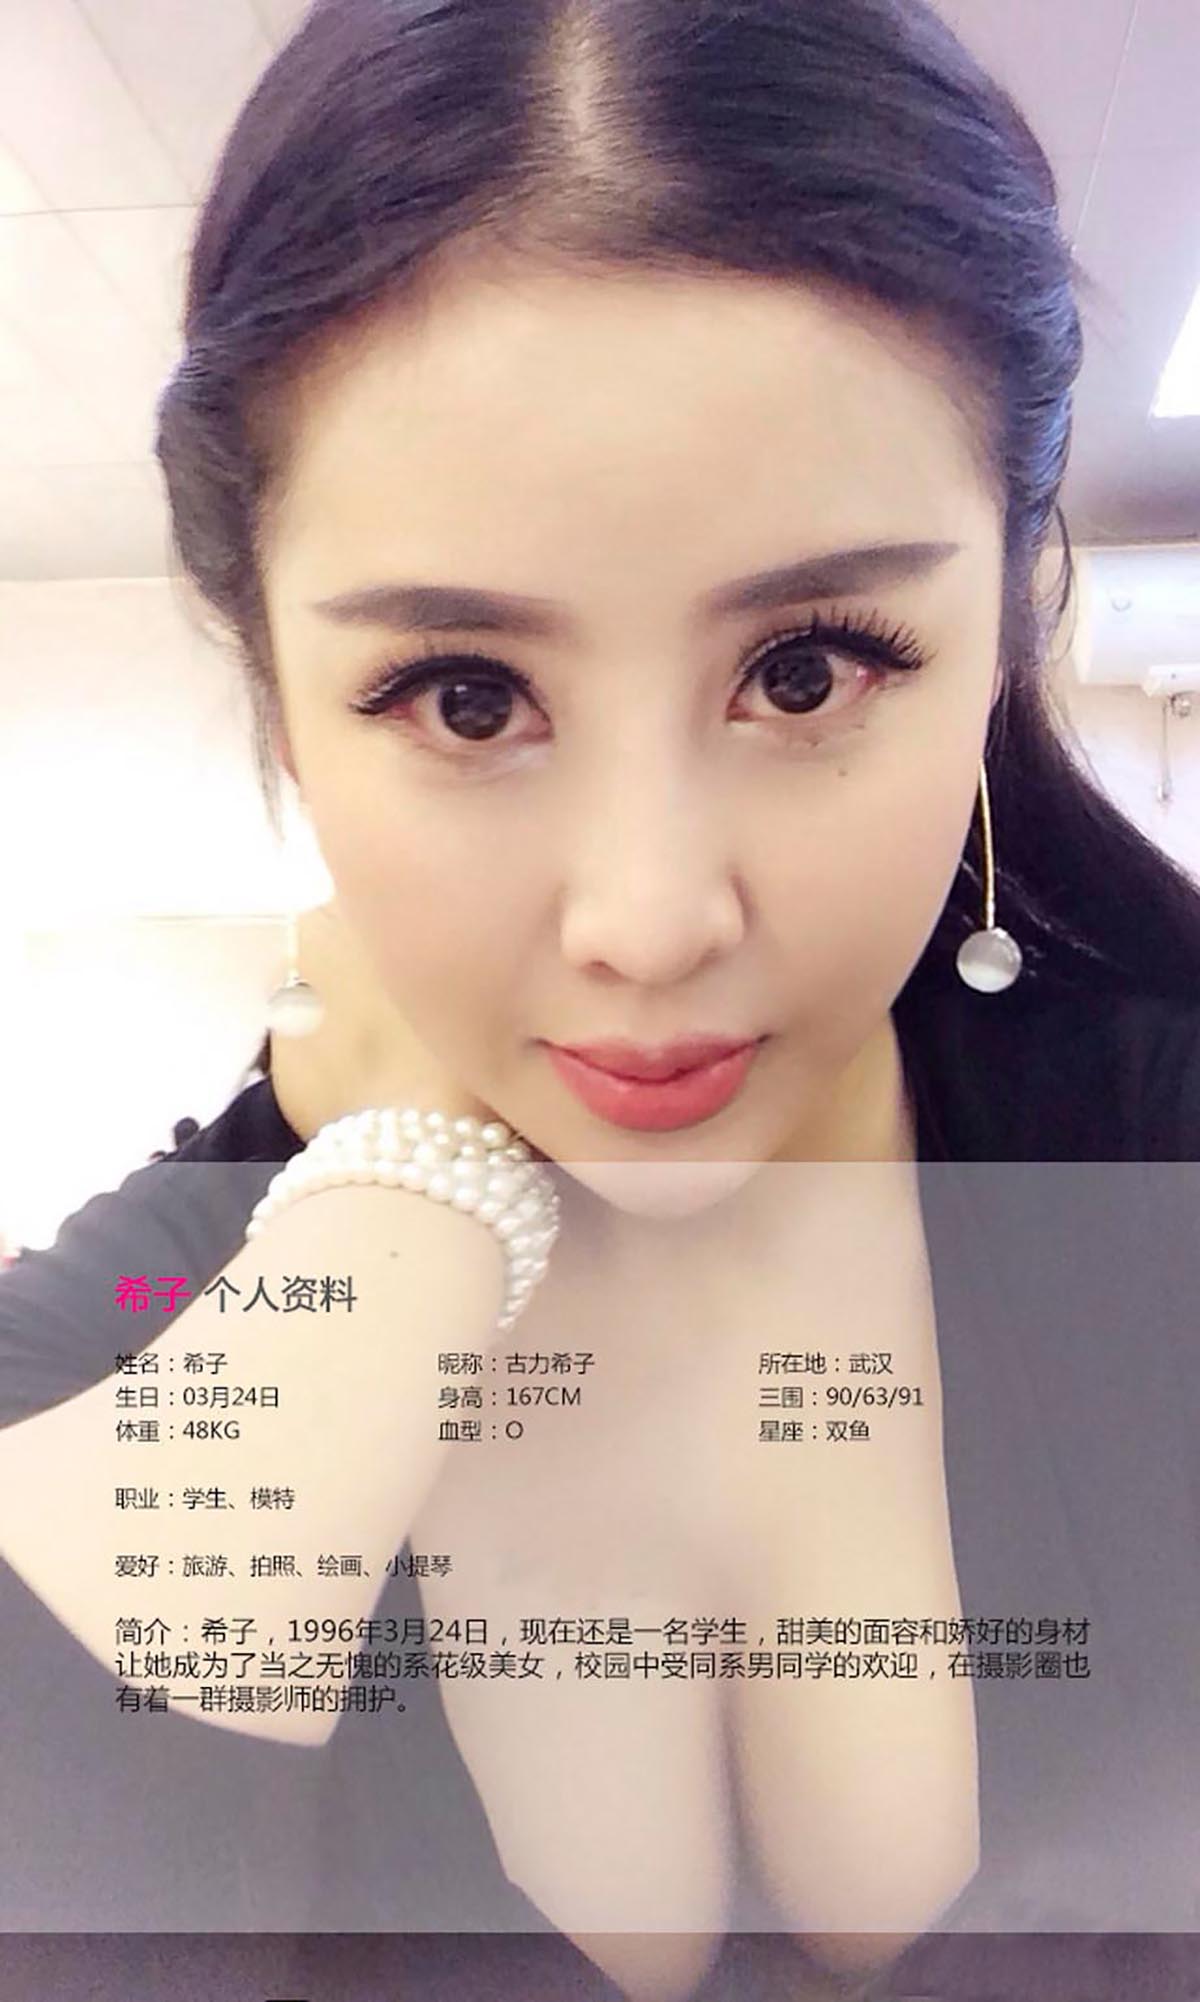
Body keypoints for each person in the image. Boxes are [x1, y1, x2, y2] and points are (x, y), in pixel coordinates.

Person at [0, 0, 1198, 1997]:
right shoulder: (130, 1330)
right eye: (465, 697)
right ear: (279, 692)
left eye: (808, 669)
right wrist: (395, 1210)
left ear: (1001, 624)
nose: (650, 922)